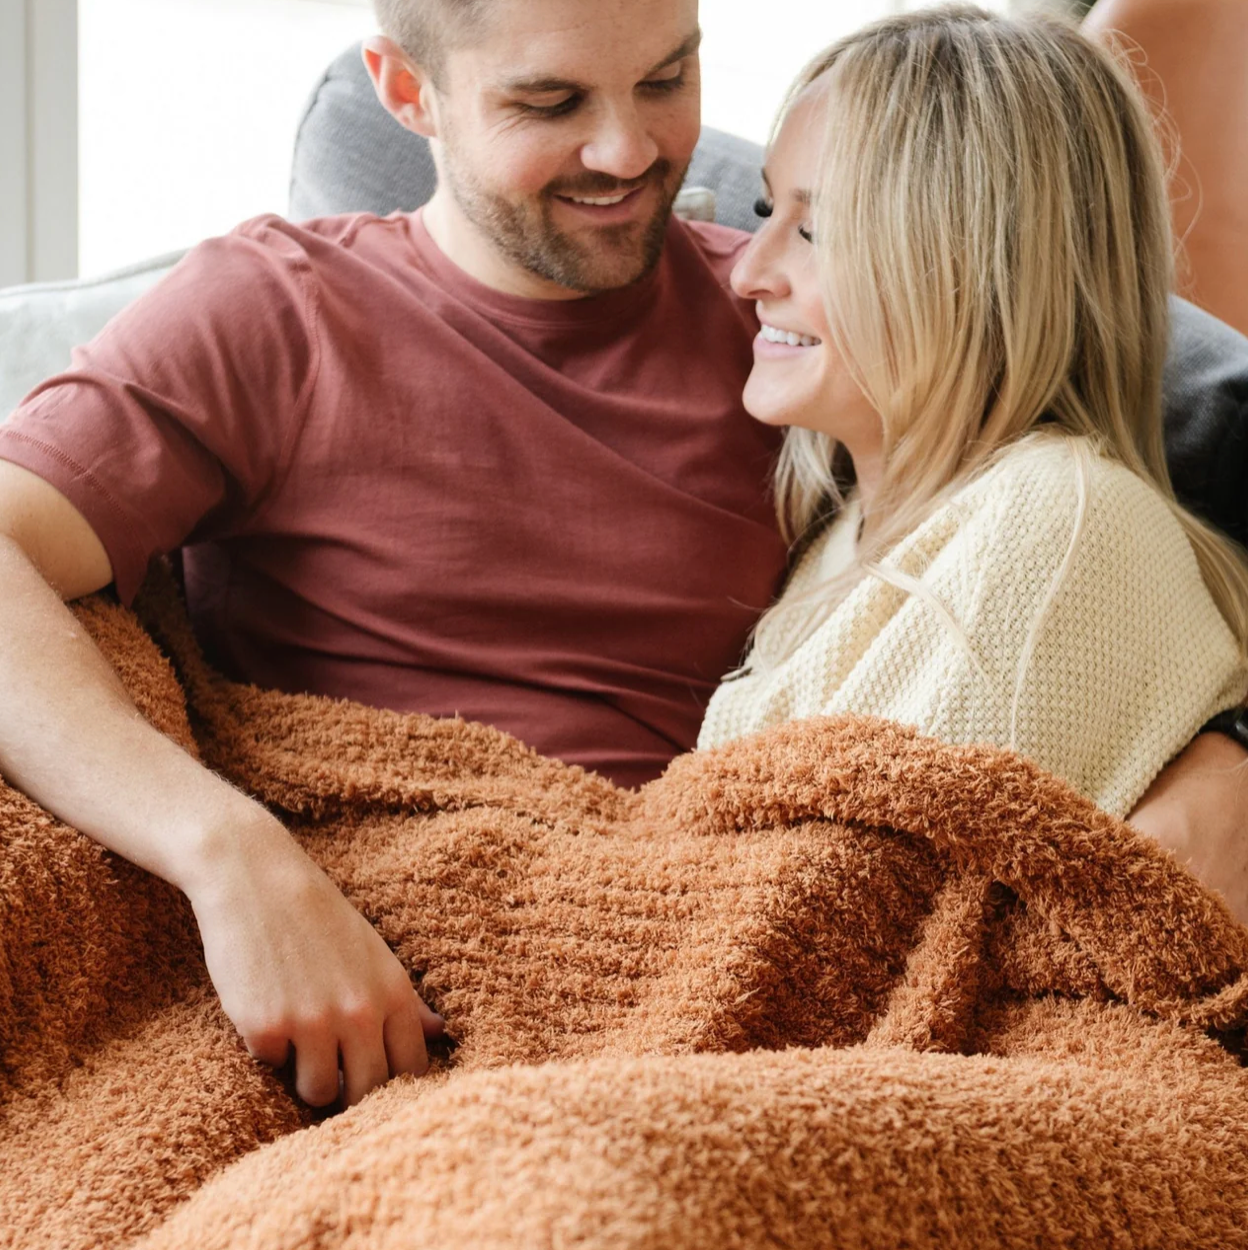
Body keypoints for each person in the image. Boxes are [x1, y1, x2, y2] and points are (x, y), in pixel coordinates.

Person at [0, 0, 1241, 1111]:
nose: (631, 154)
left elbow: (1043, 537)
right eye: (550, 104)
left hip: (681, 997)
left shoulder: (799, 350)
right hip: (351, 981)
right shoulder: (270, 312)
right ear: (405, 90)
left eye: (667, 79)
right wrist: (230, 856)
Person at [697, 7, 1248, 822]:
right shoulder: (844, 535)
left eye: (815, 229)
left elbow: (841, 917)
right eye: (764, 212)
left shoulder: (1052, 528)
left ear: (982, 269)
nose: (749, 272)